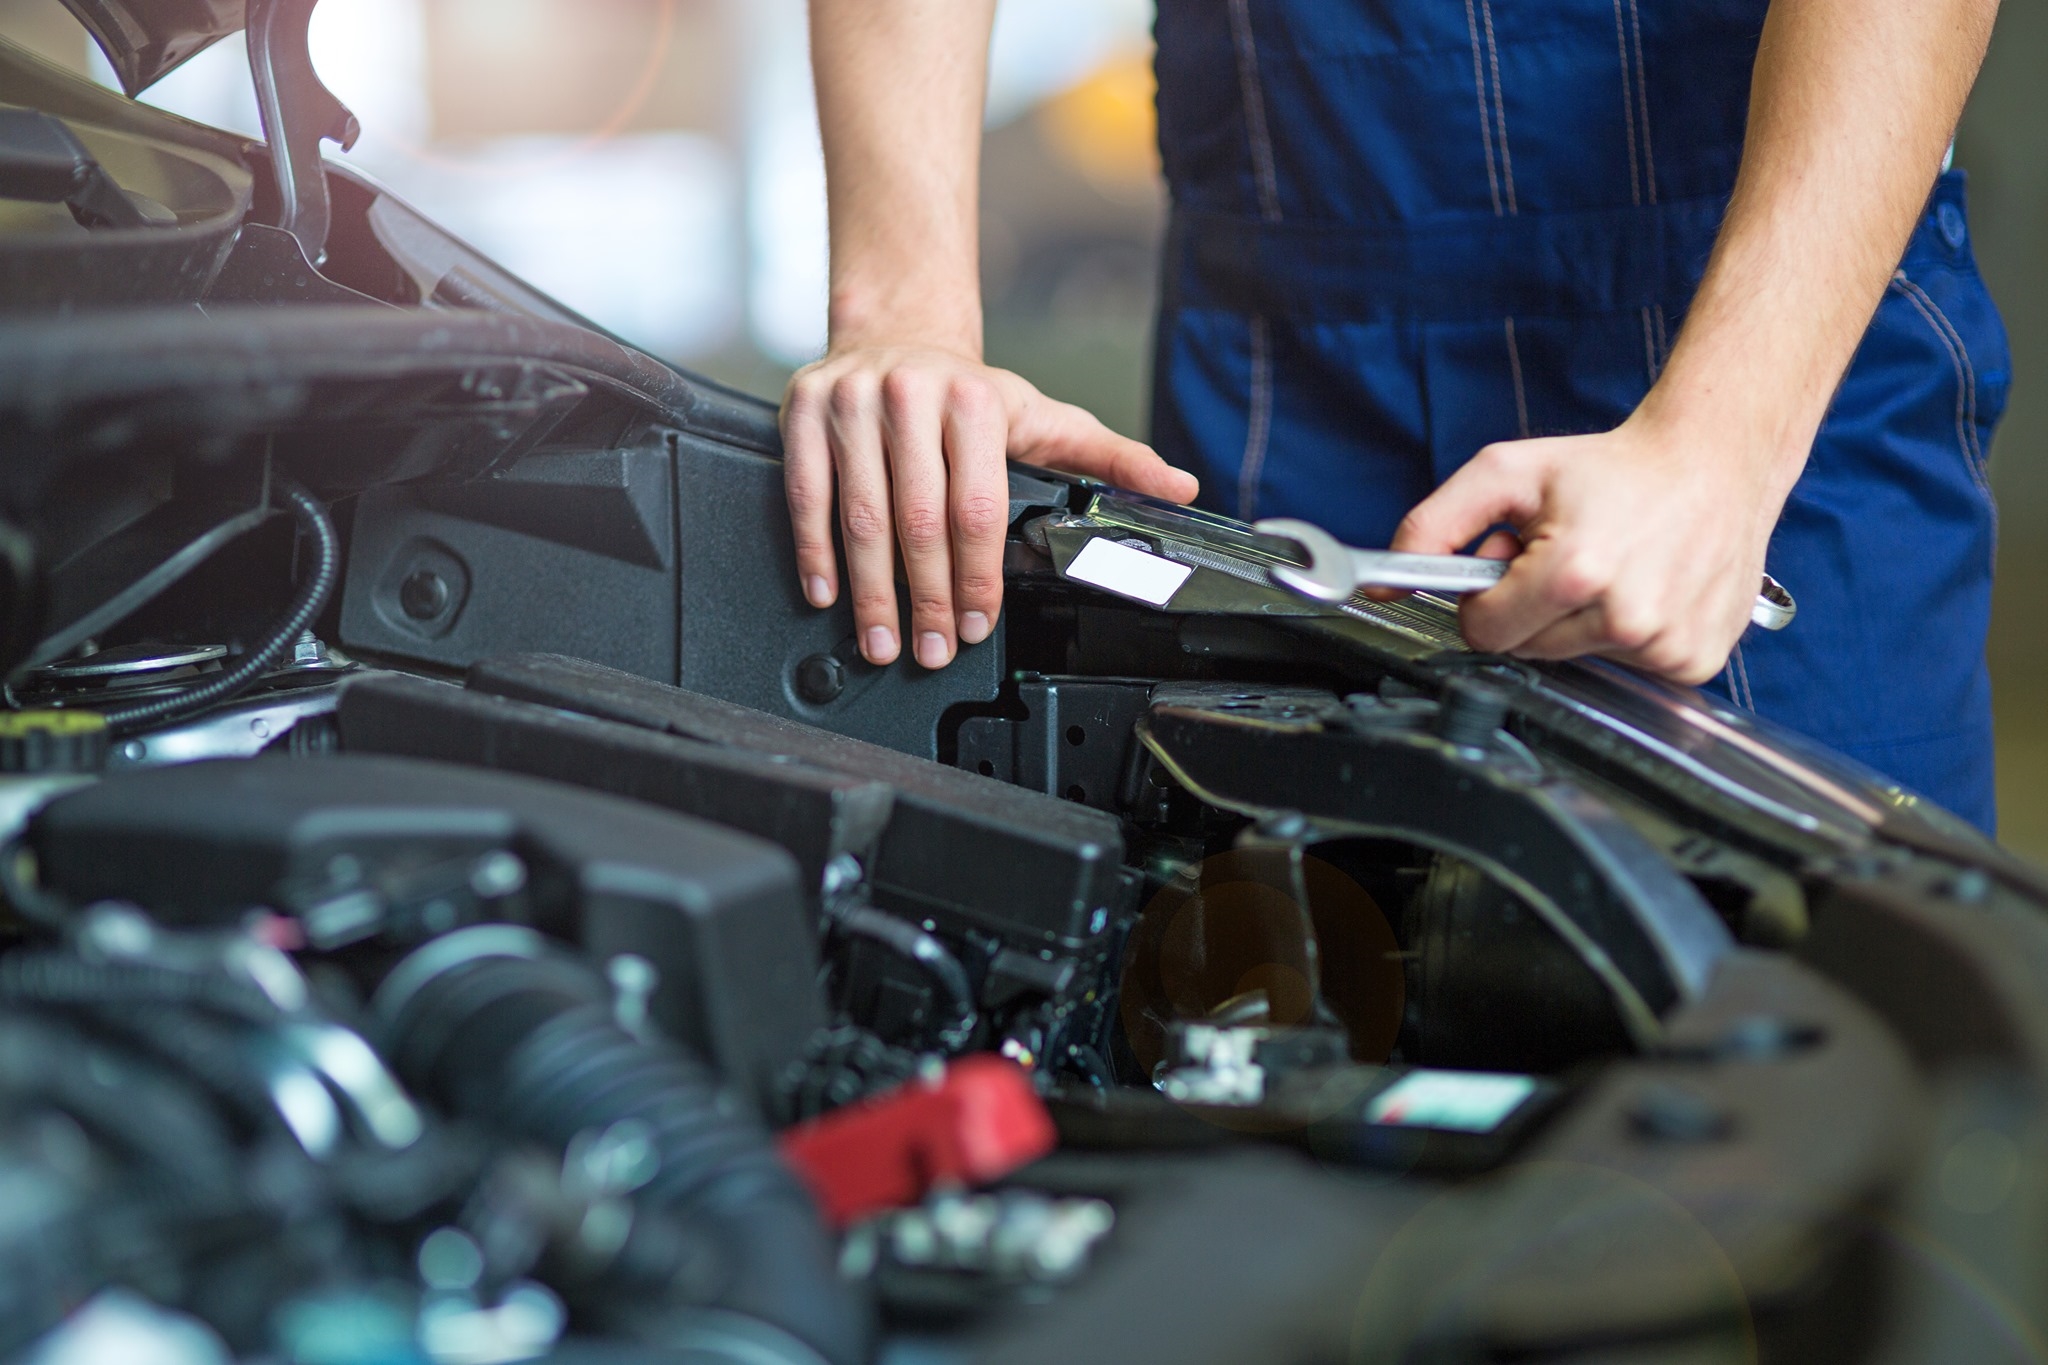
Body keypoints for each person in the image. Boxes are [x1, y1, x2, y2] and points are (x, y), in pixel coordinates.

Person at [780, 0, 2009, 831]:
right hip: (1280, 344)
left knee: (1836, 1078)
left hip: (1764, 333)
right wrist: (903, 316)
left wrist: (1728, 435)